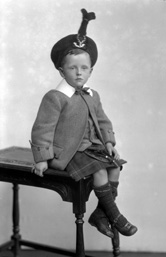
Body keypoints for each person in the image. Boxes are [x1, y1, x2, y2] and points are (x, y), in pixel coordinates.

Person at [30, 9, 137, 238]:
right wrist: (41, 159)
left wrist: (108, 141)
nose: (79, 73)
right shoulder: (55, 97)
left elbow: (102, 119)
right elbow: (43, 128)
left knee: (115, 166)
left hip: (92, 146)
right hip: (69, 151)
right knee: (99, 171)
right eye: (72, 68)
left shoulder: (92, 95)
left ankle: (100, 214)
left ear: (91, 70)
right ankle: (116, 216)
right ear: (61, 70)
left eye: (84, 68)